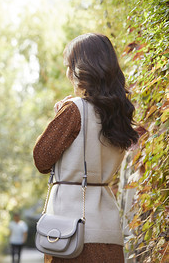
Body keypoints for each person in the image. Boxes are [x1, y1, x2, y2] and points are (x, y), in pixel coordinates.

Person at [33, 33, 139, 263]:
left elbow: (41, 159)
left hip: (69, 233)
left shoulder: (74, 110)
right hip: (108, 230)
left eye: (68, 67)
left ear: (79, 70)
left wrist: (59, 117)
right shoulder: (118, 114)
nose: (67, 74)